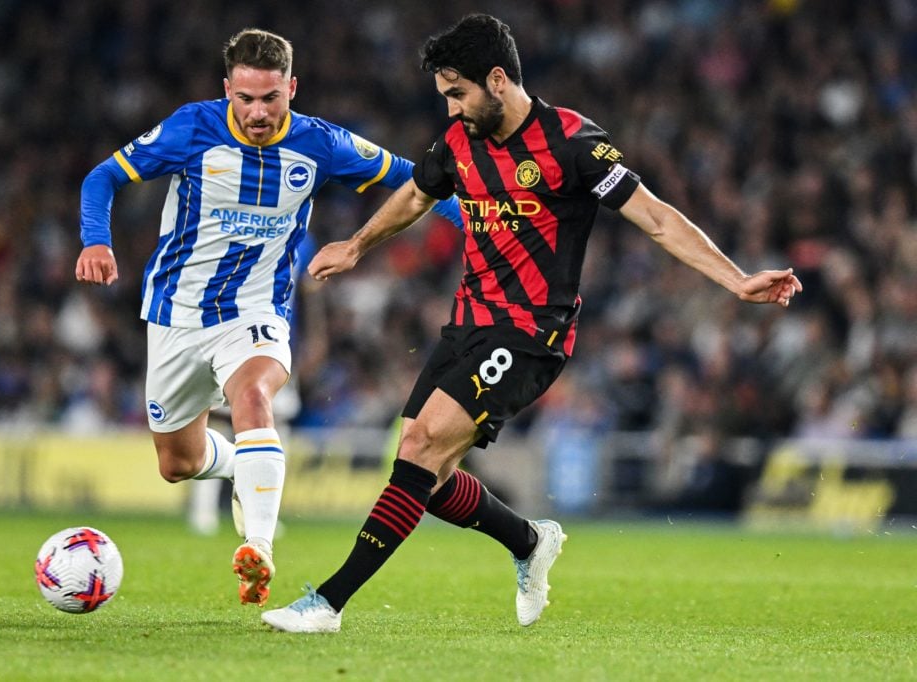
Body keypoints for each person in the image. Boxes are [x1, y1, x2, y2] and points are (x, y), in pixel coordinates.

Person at [261, 13, 802, 633]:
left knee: (416, 446)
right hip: (467, 323)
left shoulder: (574, 143)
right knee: (425, 478)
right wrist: (357, 245)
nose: (452, 111)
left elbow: (654, 217)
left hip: (530, 334)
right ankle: (527, 541)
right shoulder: (459, 143)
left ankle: (327, 604)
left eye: (458, 95)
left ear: (497, 80)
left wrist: (736, 280)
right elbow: (418, 193)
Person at [74, 28, 461, 607]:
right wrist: (96, 241)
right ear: (227, 89)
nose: (258, 112)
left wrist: (479, 223)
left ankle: (257, 547)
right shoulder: (191, 128)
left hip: (256, 310)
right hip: (175, 313)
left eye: (271, 98)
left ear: (291, 89)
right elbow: (101, 176)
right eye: (246, 98)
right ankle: (239, 469)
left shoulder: (321, 143)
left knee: (254, 395)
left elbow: (418, 180)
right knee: (177, 464)